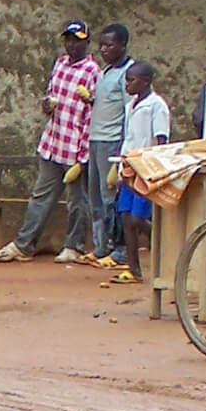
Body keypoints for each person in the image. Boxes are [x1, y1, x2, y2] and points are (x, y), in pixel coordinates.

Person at [0, 20, 101, 264]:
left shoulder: (93, 72)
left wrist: (84, 157)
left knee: (77, 202)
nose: (72, 45)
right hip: (53, 143)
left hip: (75, 148)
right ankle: (24, 245)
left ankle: (74, 246)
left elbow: (92, 115)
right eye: (68, 40)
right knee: (40, 197)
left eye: (77, 40)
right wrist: (46, 105)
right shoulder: (60, 64)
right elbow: (50, 98)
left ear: (86, 43)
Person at [110, 61, 170, 286]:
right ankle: (133, 270)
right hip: (129, 166)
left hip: (148, 168)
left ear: (145, 81)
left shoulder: (157, 106)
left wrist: (157, 167)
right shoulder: (131, 107)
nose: (127, 85)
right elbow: (128, 139)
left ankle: (163, 240)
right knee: (126, 217)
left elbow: (161, 138)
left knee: (138, 218)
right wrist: (119, 169)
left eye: (131, 80)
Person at [85, 23, 134, 268]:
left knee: (109, 197)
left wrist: (123, 148)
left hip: (112, 142)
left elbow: (129, 112)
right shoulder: (105, 72)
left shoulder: (129, 74)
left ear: (123, 45)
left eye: (109, 45)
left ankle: (118, 250)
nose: (103, 49)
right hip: (95, 139)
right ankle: (100, 246)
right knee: (94, 197)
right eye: (101, 45)